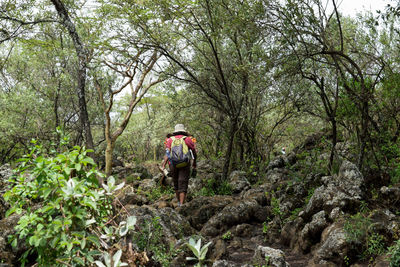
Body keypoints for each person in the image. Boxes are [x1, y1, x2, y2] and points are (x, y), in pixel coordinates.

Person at [161, 124, 197, 206]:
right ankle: (181, 204)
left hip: (172, 164)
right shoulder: (187, 139)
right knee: (183, 182)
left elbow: (167, 153)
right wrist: (194, 162)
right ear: (183, 131)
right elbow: (193, 151)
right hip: (185, 163)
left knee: (176, 182)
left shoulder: (170, 140)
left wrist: (164, 164)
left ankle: (178, 203)